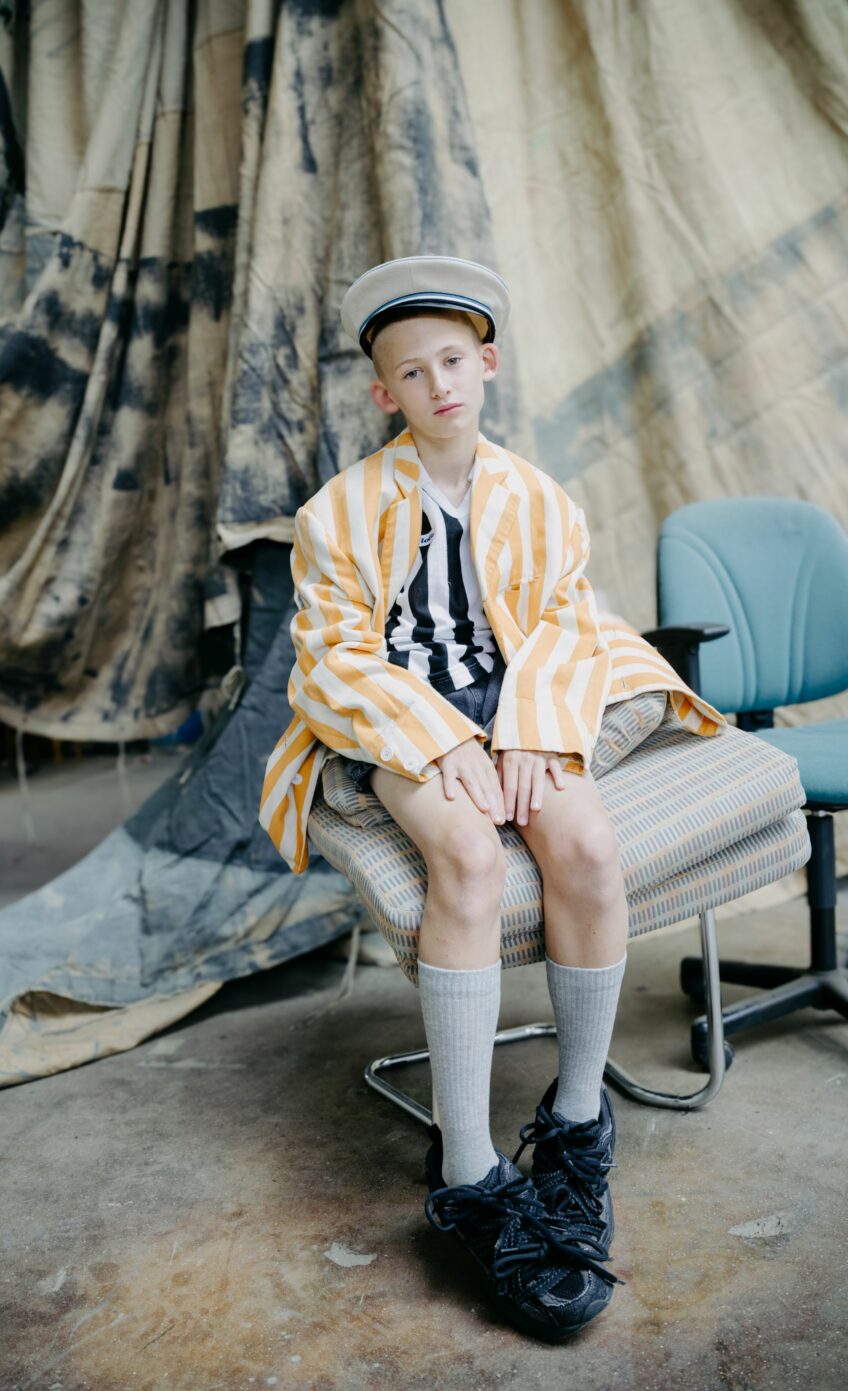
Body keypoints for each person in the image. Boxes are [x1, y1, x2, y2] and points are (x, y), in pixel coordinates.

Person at [257, 255, 726, 1341]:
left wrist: (524, 730)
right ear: (384, 394)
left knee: (586, 847)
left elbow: (564, 626)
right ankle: (466, 1170)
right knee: (464, 856)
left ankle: (570, 1124)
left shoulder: (537, 498)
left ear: (488, 365)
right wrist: (437, 739)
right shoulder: (336, 512)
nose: (438, 387)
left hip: (518, 698)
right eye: (410, 373)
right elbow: (331, 658)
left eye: (454, 363)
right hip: (397, 713)